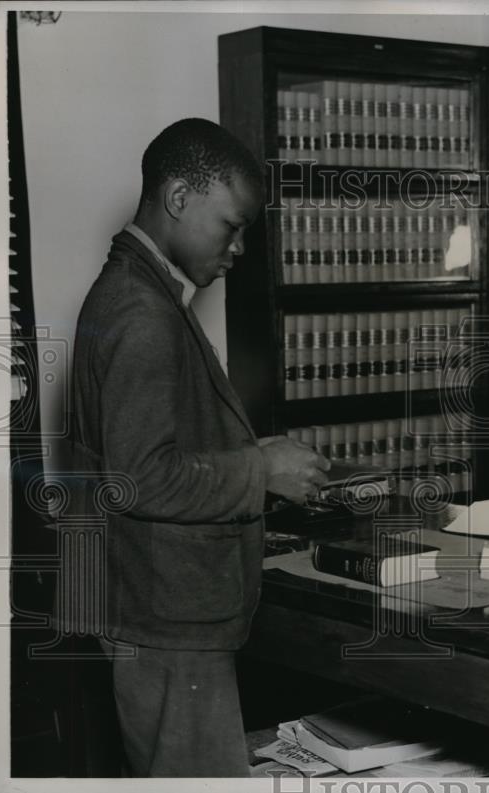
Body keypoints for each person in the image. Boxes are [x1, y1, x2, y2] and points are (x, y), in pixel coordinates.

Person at [70, 118, 330, 776]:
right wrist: (260, 468)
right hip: (166, 621)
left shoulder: (136, 291)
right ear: (180, 198)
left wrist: (251, 451)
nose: (238, 246)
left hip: (157, 612)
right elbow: (141, 477)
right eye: (231, 225)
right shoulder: (141, 311)